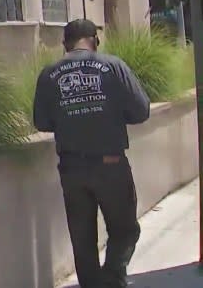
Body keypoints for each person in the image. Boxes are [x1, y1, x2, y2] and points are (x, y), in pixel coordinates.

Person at [33, 19, 150, 288]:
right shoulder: (112, 66)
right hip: (110, 165)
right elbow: (141, 111)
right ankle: (111, 278)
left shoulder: (48, 73)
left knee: (82, 239)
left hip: (72, 169)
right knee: (125, 230)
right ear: (95, 40)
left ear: (65, 44)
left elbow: (41, 122)